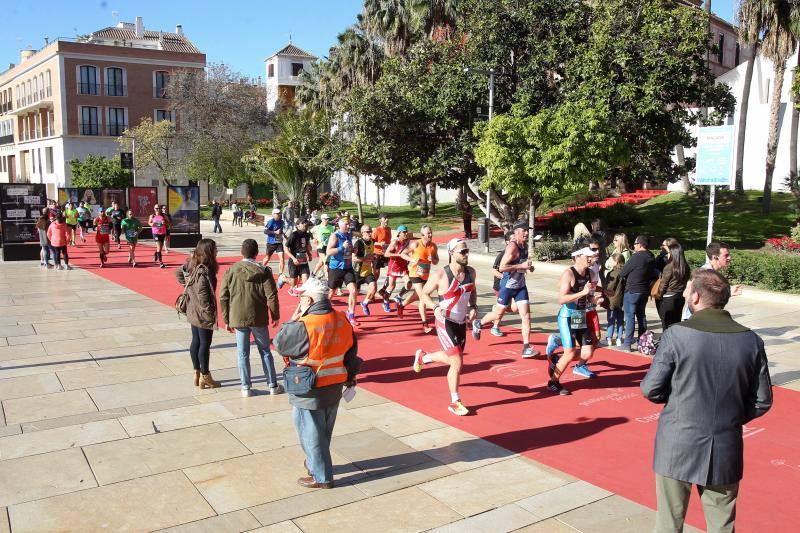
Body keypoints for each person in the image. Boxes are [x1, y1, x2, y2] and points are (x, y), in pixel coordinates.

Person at [641, 268, 772, 533]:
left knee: (668, 523)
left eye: (689, 290)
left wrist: (678, 400)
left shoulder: (677, 334)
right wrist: (730, 416)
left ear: (697, 297)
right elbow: (761, 400)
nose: (685, 294)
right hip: (725, 443)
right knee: (722, 525)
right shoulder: (751, 340)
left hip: (677, 441)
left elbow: (651, 389)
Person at [272, 277, 360, 489]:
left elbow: (280, 344)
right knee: (324, 432)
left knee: (310, 433)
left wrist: (293, 320)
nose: (299, 300)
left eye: (302, 297)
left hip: (309, 387)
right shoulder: (342, 319)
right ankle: (314, 463)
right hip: (335, 384)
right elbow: (351, 352)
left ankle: (321, 476)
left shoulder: (305, 324)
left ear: (309, 300)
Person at [412, 238, 477, 416]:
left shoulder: (471, 272)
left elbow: (473, 290)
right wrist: (435, 307)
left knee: (454, 360)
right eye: (462, 251)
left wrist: (473, 307)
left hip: (461, 323)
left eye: (467, 251)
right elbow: (424, 294)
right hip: (445, 321)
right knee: (457, 362)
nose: (466, 254)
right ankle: (455, 402)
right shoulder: (441, 275)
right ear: (451, 253)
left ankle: (423, 358)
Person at [220, 239, 284, 397]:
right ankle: (272, 385)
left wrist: (226, 319)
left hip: (237, 315)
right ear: (256, 253)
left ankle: (245, 387)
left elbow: (223, 296)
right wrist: (275, 315)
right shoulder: (263, 271)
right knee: (265, 351)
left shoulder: (231, 270)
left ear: (241, 252)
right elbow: (271, 295)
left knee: (242, 353)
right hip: (258, 315)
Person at [473, 221, 538, 358]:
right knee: (498, 315)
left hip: (520, 286)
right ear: (516, 232)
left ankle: (526, 347)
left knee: (526, 316)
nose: (527, 233)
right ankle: (479, 323)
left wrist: (529, 267)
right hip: (507, 287)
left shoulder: (524, 246)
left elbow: (522, 265)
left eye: (528, 230)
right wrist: (520, 266)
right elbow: (502, 267)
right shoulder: (512, 247)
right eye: (524, 230)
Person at [545, 245, 601, 395]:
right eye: (587, 256)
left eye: (591, 256)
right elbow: (561, 299)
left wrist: (594, 299)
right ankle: (553, 382)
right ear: (577, 257)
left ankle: (557, 360)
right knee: (570, 353)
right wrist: (582, 293)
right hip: (567, 316)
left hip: (579, 315)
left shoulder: (590, 273)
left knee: (587, 353)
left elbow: (588, 295)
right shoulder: (569, 274)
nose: (590, 259)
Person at [176, 239, 221, 389]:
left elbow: (179, 272)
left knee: (196, 340)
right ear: (209, 251)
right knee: (204, 343)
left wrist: (189, 287)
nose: (217, 251)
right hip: (202, 312)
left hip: (192, 309)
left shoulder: (192, 263)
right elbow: (203, 293)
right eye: (215, 249)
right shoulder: (204, 269)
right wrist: (208, 310)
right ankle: (205, 375)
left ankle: (197, 372)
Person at [396, 225, 439, 333]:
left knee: (416, 295)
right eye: (428, 233)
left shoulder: (433, 246)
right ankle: (425, 324)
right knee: (423, 297)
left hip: (425, 275)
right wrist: (412, 259)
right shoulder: (416, 244)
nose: (430, 235)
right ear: (422, 235)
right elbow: (402, 254)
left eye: (431, 232)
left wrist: (432, 259)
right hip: (415, 274)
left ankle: (401, 305)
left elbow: (436, 261)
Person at [620, 235, 656, 351]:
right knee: (641, 316)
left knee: (630, 317)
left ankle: (627, 343)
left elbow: (623, 272)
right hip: (644, 291)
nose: (634, 246)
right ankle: (642, 342)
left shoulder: (636, 257)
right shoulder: (651, 257)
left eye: (635, 244)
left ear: (640, 244)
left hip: (632, 290)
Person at [326, 218, 360, 327]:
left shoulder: (348, 235)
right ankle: (323, 312)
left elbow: (348, 250)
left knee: (353, 291)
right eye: (346, 224)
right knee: (331, 293)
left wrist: (353, 250)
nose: (348, 226)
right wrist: (342, 247)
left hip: (347, 267)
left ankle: (351, 314)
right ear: (340, 225)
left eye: (349, 224)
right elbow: (328, 251)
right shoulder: (335, 236)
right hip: (336, 268)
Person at [489, 231, 518, 337]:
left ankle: (496, 309)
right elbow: (494, 270)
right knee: (504, 308)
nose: (515, 241)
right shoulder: (502, 255)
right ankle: (494, 327)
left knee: (514, 308)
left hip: (513, 285)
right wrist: (504, 277)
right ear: (507, 242)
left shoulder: (517, 252)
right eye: (513, 240)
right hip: (500, 286)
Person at [656, 242, 689, 331]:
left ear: (673, 254)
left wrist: (659, 295)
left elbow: (663, 284)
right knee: (676, 322)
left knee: (666, 324)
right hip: (680, 296)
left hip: (669, 297)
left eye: (669, 253)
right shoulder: (685, 266)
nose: (667, 255)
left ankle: (667, 339)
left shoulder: (669, 266)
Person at [379, 225, 411, 313]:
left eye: (406, 232)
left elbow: (408, 251)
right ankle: (385, 302)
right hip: (394, 266)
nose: (406, 233)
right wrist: (399, 255)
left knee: (408, 283)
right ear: (399, 233)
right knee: (391, 286)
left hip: (403, 266)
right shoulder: (395, 242)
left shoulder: (407, 241)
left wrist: (409, 258)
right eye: (404, 232)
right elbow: (386, 254)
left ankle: (399, 296)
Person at [353, 224, 378, 316]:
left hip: (368, 271)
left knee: (374, 288)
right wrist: (365, 258)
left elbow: (373, 255)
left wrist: (374, 263)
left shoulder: (373, 241)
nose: (370, 233)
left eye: (371, 231)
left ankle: (364, 303)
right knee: (355, 294)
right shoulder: (358, 243)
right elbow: (354, 258)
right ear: (362, 233)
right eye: (368, 231)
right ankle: (351, 312)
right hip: (357, 272)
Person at [285, 219, 313, 297]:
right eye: (303, 223)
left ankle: (305, 298)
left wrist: (309, 254)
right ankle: (284, 279)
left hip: (303, 259)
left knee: (306, 280)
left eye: (305, 223)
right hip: (294, 260)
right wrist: (293, 258)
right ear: (298, 225)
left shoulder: (307, 235)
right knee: (294, 282)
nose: (305, 224)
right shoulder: (294, 235)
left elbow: (306, 246)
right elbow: (286, 248)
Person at [604, 253, 626, 346]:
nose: (610, 262)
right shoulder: (625, 272)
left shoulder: (612, 273)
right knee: (620, 320)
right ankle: (619, 338)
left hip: (612, 300)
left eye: (611, 260)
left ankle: (609, 338)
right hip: (622, 300)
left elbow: (610, 287)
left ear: (616, 262)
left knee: (611, 319)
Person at [262, 208, 286, 287]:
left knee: (282, 259)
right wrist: (275, 232)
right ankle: (261, 269)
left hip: (279, 243)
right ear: (273, 214)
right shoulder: (271, 221)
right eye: (277, 213)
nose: (279, 215)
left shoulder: (281, 222)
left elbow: (281, 231)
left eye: (279, 213)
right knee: (267, 258)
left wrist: (285, 236)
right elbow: (265, 231)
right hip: (271, 243)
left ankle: (280, 274)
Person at [311, 213, 334, 279]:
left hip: (328, 247)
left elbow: (334, 235)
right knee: (326, 262)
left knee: (321, 263)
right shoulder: (317, 227)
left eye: (328, 219)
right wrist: (313, 239)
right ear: (322, 219)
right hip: (320, 247)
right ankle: (328, 279)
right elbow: (310, 232)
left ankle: (313, 275)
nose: (327, 220)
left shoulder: (331, 227)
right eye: (325, 219)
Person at [372, 214, 392, 284]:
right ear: (380, 220)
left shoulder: (389, 229)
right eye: (385, 218)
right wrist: (379, 244)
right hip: (377, 254)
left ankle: (384, 289)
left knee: (390, 272)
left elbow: (389, 241)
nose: (387, 219)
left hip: (386, 254)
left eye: (387, 218)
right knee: (376, 275)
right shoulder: (377, 230)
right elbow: (371, 242)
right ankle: (373, 287)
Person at [149, 204, 168, 268]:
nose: (158, 210)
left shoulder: (164, 215)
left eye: (159, 208)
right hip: (155, 233)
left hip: (162, 233)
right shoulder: (152, 216)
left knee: (160, 248)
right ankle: (161, 262)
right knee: (159, 247)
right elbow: (149, 222)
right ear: (154, 209)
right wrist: (152, 224)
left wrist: (165, 223)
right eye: (156, 208)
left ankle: (155, 254)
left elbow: (169, 223)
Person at [590, 219, 608, 284]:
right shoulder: (604, 233)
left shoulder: (594, 235)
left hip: (596, 255)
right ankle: (604, 287)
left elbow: (593, 246)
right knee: (601, 273)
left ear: (593, 225)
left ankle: (593, 286)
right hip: (603, 254)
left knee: (593, 272)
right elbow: (605, 244)